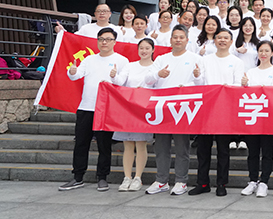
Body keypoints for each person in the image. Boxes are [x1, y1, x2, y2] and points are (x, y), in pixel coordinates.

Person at [58, 27, 130, 192]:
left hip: (106, 109)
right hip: (86, 106)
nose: (104, 42)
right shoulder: (89, 59)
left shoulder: (122, 60)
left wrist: (114, 76)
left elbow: (122, 83)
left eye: (108, 39)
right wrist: (72, 71)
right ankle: (78, 177)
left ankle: (102, 177)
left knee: (104, 145)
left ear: (114, 42)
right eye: (101, 39)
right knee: (81, 143)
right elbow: (76, 75)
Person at [146, 25, 203, 195]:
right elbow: (148, 79)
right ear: (170, 40)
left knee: (181, 147)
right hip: (162, 108)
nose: (178, 40)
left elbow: (202, 83)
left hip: (183, 108)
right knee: (161, 147)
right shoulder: (161, 59)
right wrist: (158, 74)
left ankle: (181, 181)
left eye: (181, 37)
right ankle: (161, 180)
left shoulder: (195, 58)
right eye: (175, 37)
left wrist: (195, 79)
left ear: (187, 40)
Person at [190, 28, 244, 196]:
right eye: (219, 37)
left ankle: (221, 183)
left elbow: (238, 85)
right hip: (206, 109)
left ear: (231, 41)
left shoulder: (236, 62)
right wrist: (196, 76)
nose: (222, 40)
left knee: (223, 149)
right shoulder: (205, 60)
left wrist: (225, 89)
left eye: (226, 38)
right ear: (214, 40)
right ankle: (202, 183)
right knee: (203, 149)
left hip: (225, 110)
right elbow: (200, 84)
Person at [113, 37, 159, 191]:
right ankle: (127, 177)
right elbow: (120, 81)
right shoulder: (130, 65)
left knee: (140, 143)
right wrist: (113, 76)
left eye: (147, 48)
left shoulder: (156, 68)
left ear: (153, 50)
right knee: (127, 144)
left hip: (144, 109)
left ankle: (138, 177)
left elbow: (158, 87)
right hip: (128, 108)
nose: (144, 51)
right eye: (141, 48)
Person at [239, 39, 273, 198]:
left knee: (267, 151)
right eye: (261, 51)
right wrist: (244, 85)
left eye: (266, 51)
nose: (263, 54)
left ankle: (264, 182)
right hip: (253, 116)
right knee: (253, 152)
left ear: (272, 53)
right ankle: (252, 180)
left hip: (268, 118)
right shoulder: (251, 72)